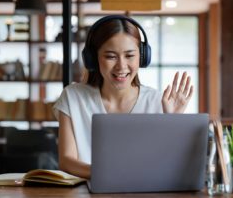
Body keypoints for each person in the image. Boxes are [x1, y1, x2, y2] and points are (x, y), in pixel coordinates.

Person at [53, 15, 193, 179]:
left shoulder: (159, 102)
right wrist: (108, 174)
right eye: (111, 56)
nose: (121, 66)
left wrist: (174, 122)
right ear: (92, 58)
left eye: (129, 55)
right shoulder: (73, 97)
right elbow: (67, 161)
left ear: (142, 57)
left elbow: (171, 167)